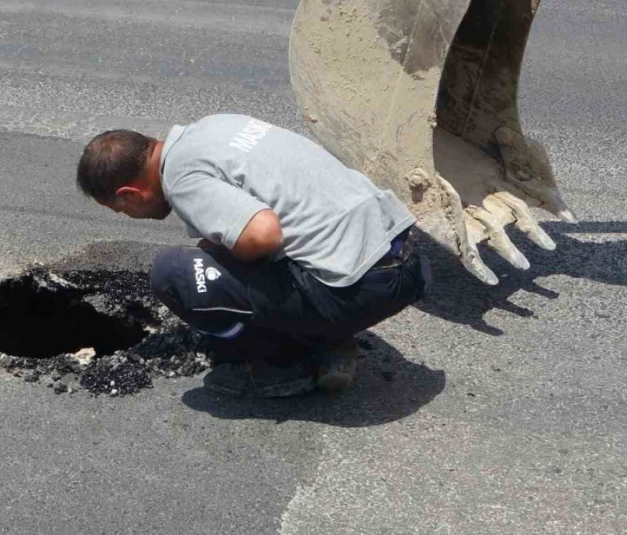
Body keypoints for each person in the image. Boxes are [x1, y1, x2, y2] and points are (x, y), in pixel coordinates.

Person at [76, 114, 431, 398]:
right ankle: (326, 337)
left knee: (175, 273)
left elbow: (263, 234)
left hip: (366, 286)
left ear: (130, 193)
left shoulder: (182, 179)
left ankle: (284, 365)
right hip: (405, 252)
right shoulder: (213, 128)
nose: (127, 216)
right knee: (224, 254)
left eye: (121, 210)